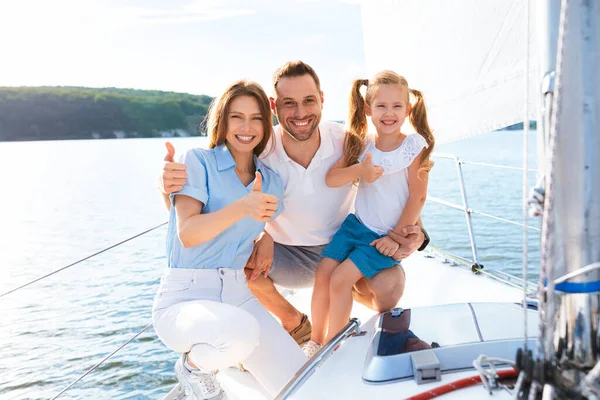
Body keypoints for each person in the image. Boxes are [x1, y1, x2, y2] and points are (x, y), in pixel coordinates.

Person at [158, 61, 430, 347]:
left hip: (344, 244)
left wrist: (419, 236)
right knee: (236, 262)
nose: (300, 113)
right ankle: (294, 322)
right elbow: (211, 190)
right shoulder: (260, 146)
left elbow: (396, 192)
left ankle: (369, 326)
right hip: (287, 255)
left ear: (322, 100)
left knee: (390, 286)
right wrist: (165, 186)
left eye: (309, 101)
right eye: (290, 103)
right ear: (274, 107)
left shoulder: (348, 141)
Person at [152, 79, 306, 400]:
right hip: (184, 298)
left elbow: (254, 226)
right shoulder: (198, 161)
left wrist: (266, 237)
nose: (246, 127)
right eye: (237, 117)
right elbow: (188, 233)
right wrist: (243, 207)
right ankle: (194, 369)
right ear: (222, 121)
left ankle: (230, 362)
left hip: (238, 293)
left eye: (256, 118)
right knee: (242, 332)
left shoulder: (271, 180)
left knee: (305, 387)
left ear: (266, 123)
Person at [304, 71, 435, 355]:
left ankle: (334, 345)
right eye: (381, 106)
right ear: (368, 109)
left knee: (340, 280)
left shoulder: (413, 147)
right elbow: (332, 178)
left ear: (408, 109)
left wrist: (398, 238)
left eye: (397, 106)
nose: (389, 113)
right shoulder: (363, 145)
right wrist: (359, 170)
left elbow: (418, 196)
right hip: (356, 226)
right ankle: (315, 341)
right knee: (323, 274)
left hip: (381, 236)